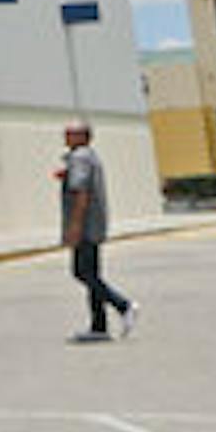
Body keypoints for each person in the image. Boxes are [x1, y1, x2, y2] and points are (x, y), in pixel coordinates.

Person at [59, 119, 137, 342]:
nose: (65, 136)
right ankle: (99, 326)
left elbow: (81, 192)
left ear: (83, 136)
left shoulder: (79, 157)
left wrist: (75, 226)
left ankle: (123, 306)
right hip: (94, 224)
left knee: (81, 272)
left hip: (85, 227)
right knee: (92, 275)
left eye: (70, 133)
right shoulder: (89, 156)